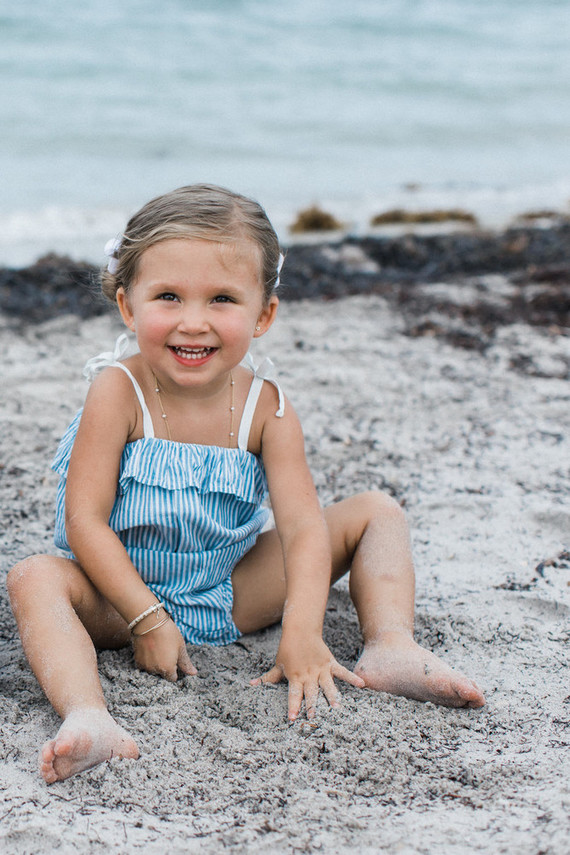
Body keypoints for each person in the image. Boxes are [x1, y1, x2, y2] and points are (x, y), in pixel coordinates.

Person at [7, 184, 485, 785]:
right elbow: (85, 522)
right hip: (117, 593)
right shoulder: (117, 391)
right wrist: (147, 619)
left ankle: (390, 644)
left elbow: (304, 528)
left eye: (223, 299)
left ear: (263, 314)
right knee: (34, 577)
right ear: (129, 306)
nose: (194, 322)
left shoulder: (268, 408)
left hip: (229, 586)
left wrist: (303, 632)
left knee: (376, 511)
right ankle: (88, 714)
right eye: (169, 296)